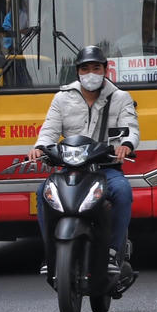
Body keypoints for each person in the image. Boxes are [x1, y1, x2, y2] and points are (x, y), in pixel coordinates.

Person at [29, 45, 139, 280]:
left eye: (96, 68)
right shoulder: (62, 98)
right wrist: (39, 148)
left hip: (105, 169)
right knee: (42, 192)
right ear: (77, 71)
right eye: (85, 68)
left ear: (105, 70)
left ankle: (113, 251)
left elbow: (132, 130)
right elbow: (49, 131)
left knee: (122, 191)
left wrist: (126, 145)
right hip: (71, 169)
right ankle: (51, 254)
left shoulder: (120, 98)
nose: (91, 73)